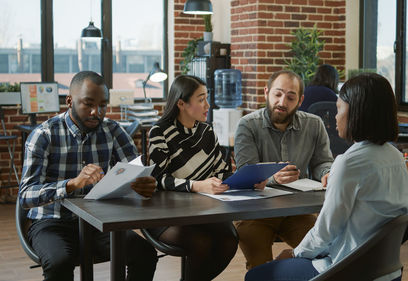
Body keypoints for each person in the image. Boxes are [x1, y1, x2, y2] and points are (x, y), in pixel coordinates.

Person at [245, 73, 408, 281]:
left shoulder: (349, 162)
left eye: (339, 108)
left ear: (357, 113)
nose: (335, 116)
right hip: (386, 270)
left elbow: (326, 231)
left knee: (256, 276)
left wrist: (294, 253)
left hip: (347, 270)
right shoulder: (396, 157)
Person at [18, 71, 158, 281]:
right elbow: (26, 196)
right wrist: (72, 184)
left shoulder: (113, 130)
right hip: (51, 221)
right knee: (59, 263)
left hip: (99, 221)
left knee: (145, 253)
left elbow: (136, 171)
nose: (96, 112)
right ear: (69, 101)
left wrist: (144, 186)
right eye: (88, 104)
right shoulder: (44, 135)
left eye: (103, 105)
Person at [147, 75, 259, 281]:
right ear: (181, 103)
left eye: (207, 98)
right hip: (165, 214)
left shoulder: (207, 132)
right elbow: (158, 180)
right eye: (201, 99)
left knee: (230, 240)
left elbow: (222, 172)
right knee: (202, 243)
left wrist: (247, 180)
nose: (208, 105)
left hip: (202, 212)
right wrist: (197, 186)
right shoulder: (159, 132)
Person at [234, 70, 334, 269]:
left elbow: (322, 162)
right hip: (255, 213)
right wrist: (273, 178)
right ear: (266, 92)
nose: (282, 102)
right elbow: (245, 174)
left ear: (300, 100)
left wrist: (327, 174)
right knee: (260, 266)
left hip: (297, 210)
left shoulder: (314, 124)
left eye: (290, 97)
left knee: (322, 253)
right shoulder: (247, 125)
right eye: (277, 94)